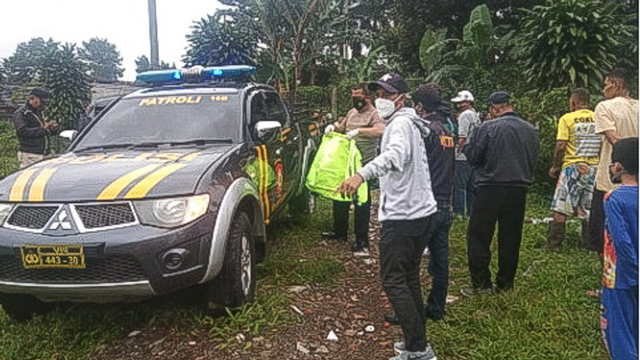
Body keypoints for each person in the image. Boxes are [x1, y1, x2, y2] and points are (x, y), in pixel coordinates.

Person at [336, 73, 437, 360]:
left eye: (386, 93)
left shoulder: (401, 125)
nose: (380, 98)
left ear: (401, 98)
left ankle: (418, 351)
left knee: (393, 280)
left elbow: (395, 156)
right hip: (420, 211)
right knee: (409, 278)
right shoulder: (407, 122)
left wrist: (361, 174)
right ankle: (418, 343)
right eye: (377, 92)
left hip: (405, 215)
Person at [385, 83, 455, 326]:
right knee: (440, 259)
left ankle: (408, 313)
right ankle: (436, 308)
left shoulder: (425, 131)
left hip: (425, 205)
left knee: (407, 264)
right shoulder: (447, 128)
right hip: (446, 201)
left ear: (419, 106)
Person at [462, 91, 539, 296]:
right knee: (511, 237)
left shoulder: (487, 127)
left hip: (490, 186)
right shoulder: (530, 129)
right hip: (519, 188)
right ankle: (505, 284)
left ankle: (482, 284)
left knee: (479, 236)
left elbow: (474, 156)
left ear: (495, 109)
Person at [323, 84, 384, 255]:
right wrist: (332, 128)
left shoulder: (375, 113)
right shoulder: (351, 112)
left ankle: (361, 239)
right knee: (340, 195)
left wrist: (360, 131)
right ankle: (340, 232)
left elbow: (380, 130)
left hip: (364, 164)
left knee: (361, 202)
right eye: (353, 97)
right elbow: (342, 127)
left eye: (359, 97)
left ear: (367, 97)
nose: (356, 100)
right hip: (345, 163)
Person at [585, 68, 639, 264]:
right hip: (636, 183)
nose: (604, 89)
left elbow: (614, 139)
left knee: (603, 235)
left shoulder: (605, 107)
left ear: (616, 85)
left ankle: (609, 283)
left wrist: (625, 161)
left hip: (611, 182)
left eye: (606, 84)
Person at [544, 88, 600, 251]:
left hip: (572, 168)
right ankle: (590, 244)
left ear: (573, 102)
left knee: (561, 206)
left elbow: (561, 145)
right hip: (593, 168)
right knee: (589, 209)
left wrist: (555, 165)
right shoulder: (598, 117)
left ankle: (554, 244)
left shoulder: (567, 118)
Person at [600, 137, 638, 360]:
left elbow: (621, 241)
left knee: (620, 330)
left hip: (620, 276)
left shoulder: (613, 198)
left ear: (619, 166)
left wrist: (634, 272)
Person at [451, 90, 480, 217]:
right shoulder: (475, 115)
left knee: (459, 185)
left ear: (468, 102)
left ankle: (458, 212)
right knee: (471, 186)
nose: (458, 105)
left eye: (461, 103)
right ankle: (471, 212)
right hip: (473, 154)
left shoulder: (464, 116)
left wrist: (457, 151)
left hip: (462, 156)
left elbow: (462, 137)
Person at [13, 88, 58, 168]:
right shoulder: (21, 113)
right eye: (42, 102)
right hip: (30, 155)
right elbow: (22, 131)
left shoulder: (37, 113)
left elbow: (42, 132)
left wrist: (51, 129)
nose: (43, 105)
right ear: (33, 98)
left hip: (43, 154)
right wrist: (43, 129)